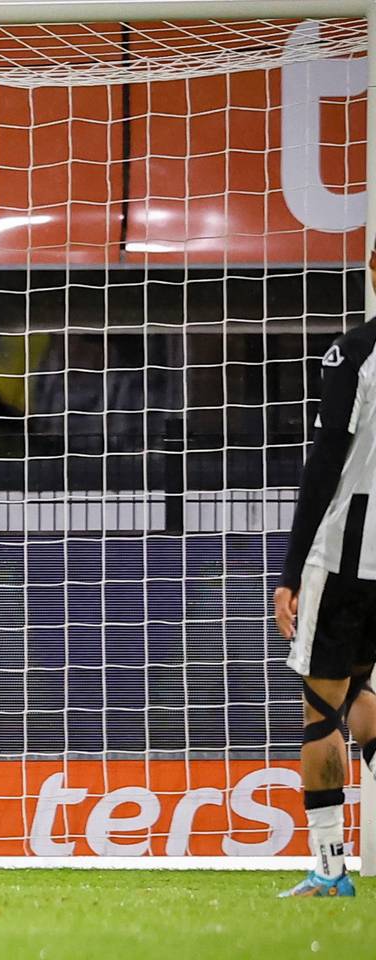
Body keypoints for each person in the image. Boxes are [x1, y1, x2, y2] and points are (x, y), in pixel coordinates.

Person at [273, 248, 376, 897]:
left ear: (371, 265)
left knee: (321, 709)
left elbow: (324, 467)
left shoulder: (356, 354)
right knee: (362, 697)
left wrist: (288, 572)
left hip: (347, 557)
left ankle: (330, 868)